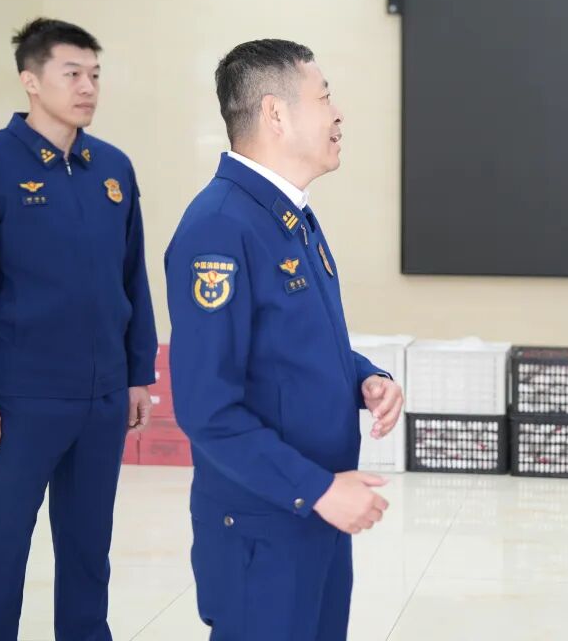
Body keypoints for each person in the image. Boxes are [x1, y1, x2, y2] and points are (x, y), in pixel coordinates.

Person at [164, 39, 405, 640]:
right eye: (324, 98)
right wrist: (318, 489)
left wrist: (364, 377)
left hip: (315, 513)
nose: (338, 114)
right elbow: (206, 409)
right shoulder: (220, 227)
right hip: (265, 525)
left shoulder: (290, 217)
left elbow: (293, 342)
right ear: (275, 113)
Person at [0, 18, 157, 640]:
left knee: (88, 549)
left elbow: (132, 279)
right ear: (30, 80)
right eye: (72, 74)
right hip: (21, 400)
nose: (87, 88)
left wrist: (137, 374)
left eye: (94, 75)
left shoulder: (113, 168)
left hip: (101, 398)